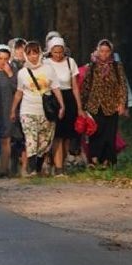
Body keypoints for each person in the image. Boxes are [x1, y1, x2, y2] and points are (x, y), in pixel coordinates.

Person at [11, 41, 64, 176]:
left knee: (45, 141)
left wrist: (62, 105)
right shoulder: (22, 73)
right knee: (31, 139)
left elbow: (56, 88)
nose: (33, 57)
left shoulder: (49, 69)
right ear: (26, 55)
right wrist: (13, 110)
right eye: (29, 54)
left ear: (40, 54)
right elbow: (19, 92)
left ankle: (38, 165)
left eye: (35, 53)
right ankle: (32, 169)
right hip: (27, 110)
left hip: (46, 111)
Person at [80, 39, 129, 167]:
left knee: (109, 133)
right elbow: (86, 86)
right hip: (94, 105)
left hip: (111, 105)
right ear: (98, 51)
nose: (104, 54)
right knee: (95, 132)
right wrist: (82, 106)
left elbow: (122, 86)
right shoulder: (92, 66)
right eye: (102, 51)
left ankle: (108, 160)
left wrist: (122, 104)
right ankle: (94, 159)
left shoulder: (116, 66)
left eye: (107, 51)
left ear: (111, 52)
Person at [45, 37, 82, 176]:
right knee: (57, 135)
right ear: (50, 51)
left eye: (60, 52)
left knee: (67, 136)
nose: (58, 55)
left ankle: (62, 163)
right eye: (55, 52)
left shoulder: (70, 62)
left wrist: (79, 107)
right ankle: (58, 167)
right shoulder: (46, 63)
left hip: (69, 98)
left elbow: (75, 87)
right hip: (53, 99)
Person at [0, 44, 20, 177]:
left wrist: (10, 74)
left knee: (5, 139)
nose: (2, 61)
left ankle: (4, 169)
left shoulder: (13, 71)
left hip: (8, 108)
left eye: (5, 59)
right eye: (0, 58)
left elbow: (18, 89)